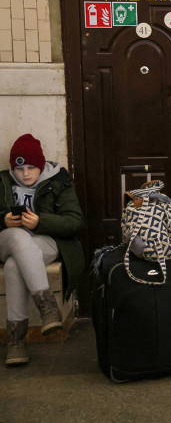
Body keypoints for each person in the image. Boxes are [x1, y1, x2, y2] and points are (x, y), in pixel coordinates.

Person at [0, 134, 85, 366]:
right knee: (17, 237)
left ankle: (16, 342)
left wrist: (40, 222)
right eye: (20, 169)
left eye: (31, 167)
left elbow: (75, 222)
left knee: (14, 265)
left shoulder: (59, 181)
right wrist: (3, 220)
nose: (25, 174)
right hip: (7, 239)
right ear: (12, 167)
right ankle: (47, 306)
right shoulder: (2, 182)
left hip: (44, 241)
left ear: (41, 165)